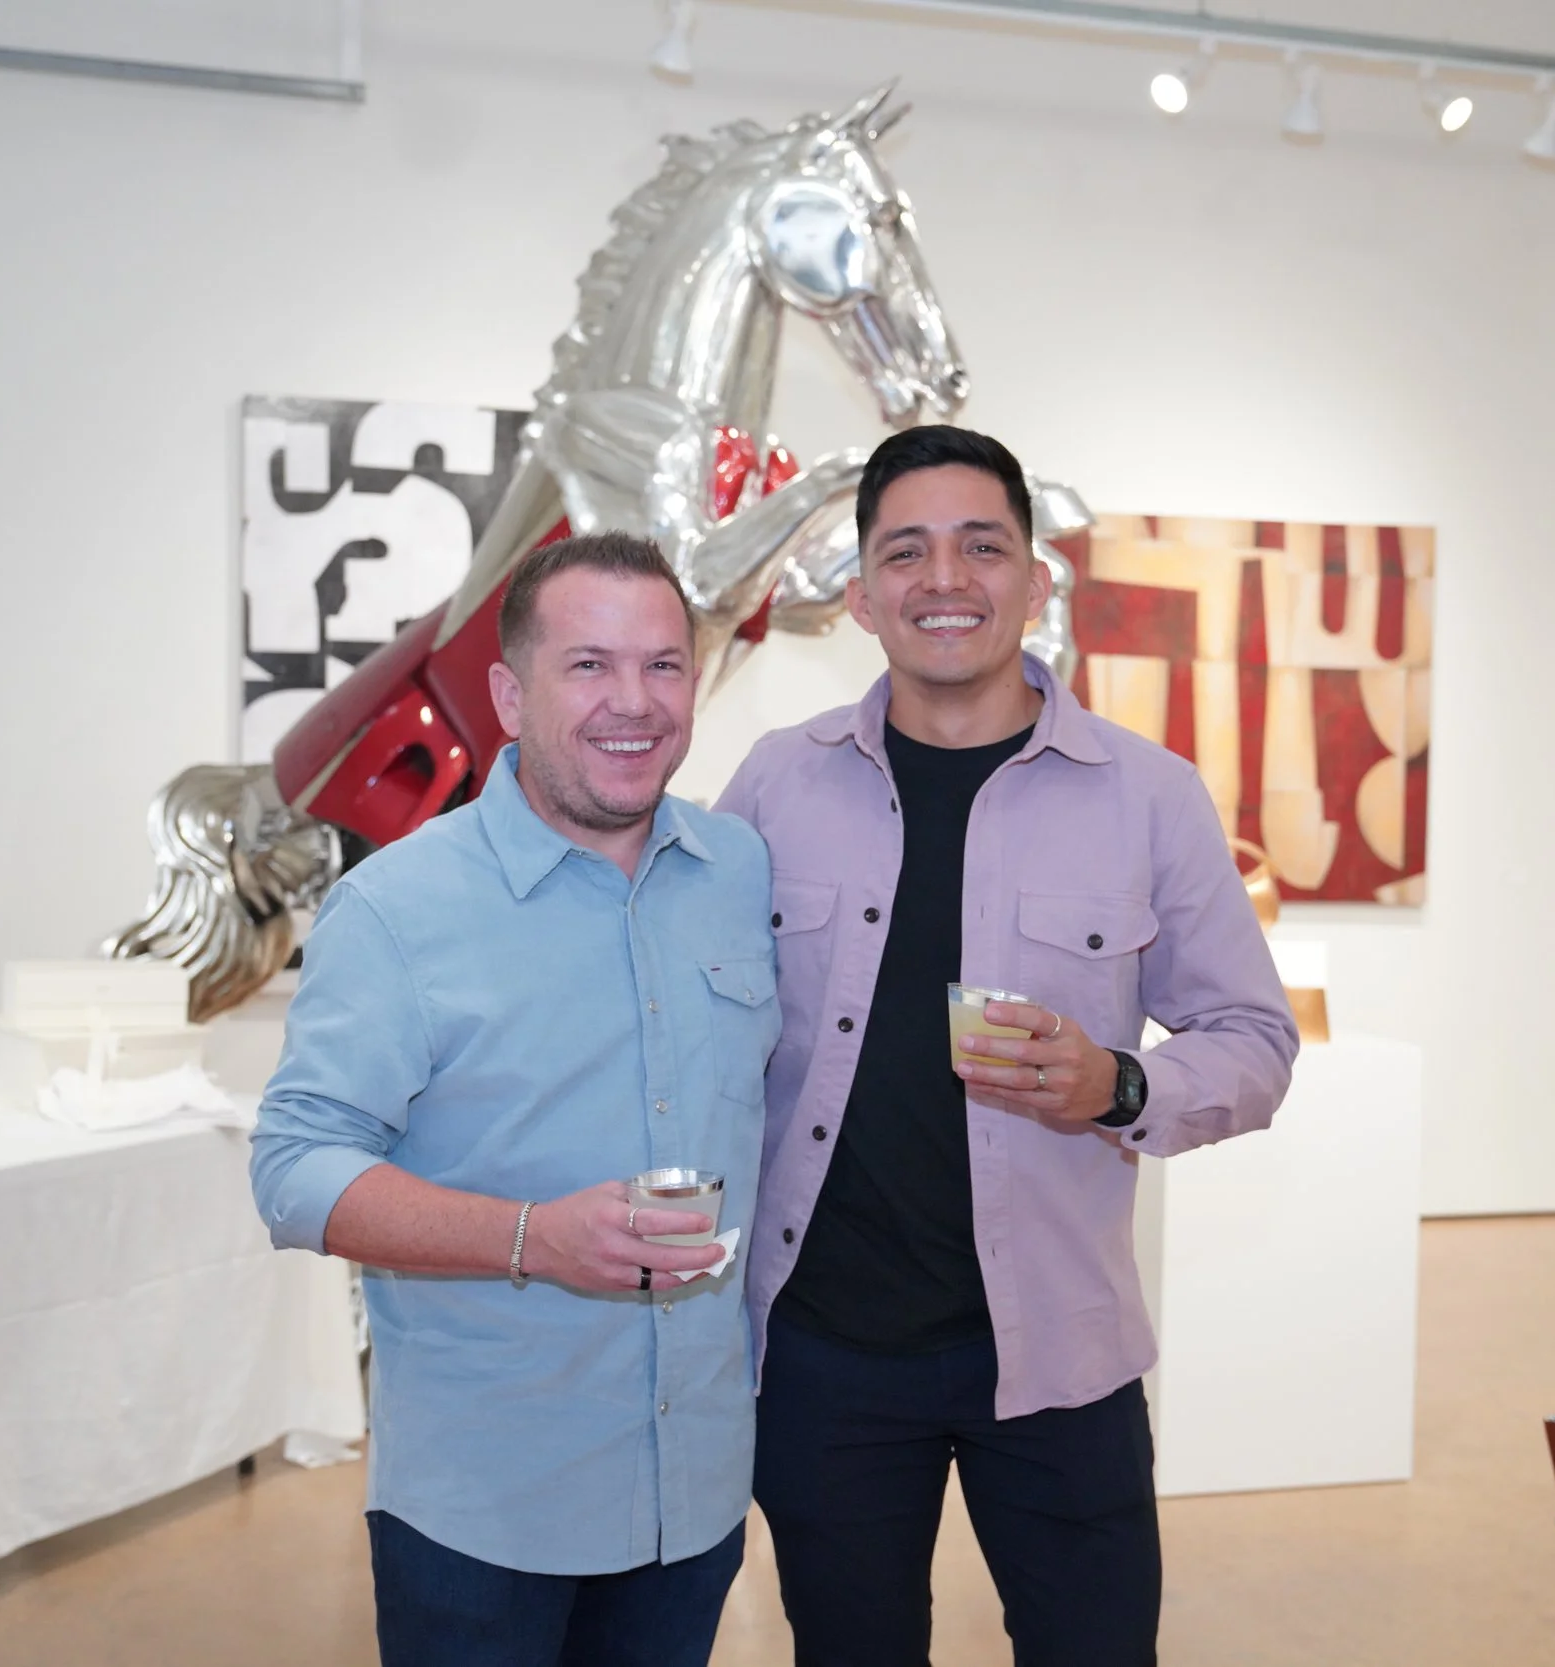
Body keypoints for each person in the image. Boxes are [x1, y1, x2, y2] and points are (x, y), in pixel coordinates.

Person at [715, 426, 1300, 1667]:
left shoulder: (1149, 797)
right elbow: (687, 1015)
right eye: (905, 550)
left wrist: (1118, 1081)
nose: (945, 579)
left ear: (1036, 580)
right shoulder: (776, 783)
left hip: (1058, 1349)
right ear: (861, 593)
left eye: (982, 545)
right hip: (823, 1355)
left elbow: (1254, 1038)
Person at [251, 531, 781, 1667]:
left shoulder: (743, 874)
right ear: (507, 692)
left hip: (690, 1496)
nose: (631, 702)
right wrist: (533, 1237)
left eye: (664, 664)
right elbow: (293, 1170)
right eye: (587, 664)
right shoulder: (398, 908)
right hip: (484, 1514)